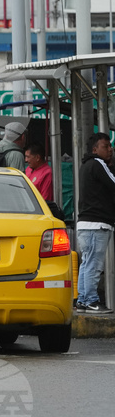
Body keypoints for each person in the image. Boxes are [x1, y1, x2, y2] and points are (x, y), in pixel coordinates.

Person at [76, 132, 115, 312]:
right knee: (94, 264)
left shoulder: (85, 165)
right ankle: (91, 300)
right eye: (105, 146)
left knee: (87, 263)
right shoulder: (98, 164)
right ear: (95, 149)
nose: (110, 150)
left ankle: (83, 299)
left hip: (85, 224)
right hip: (97, 223)